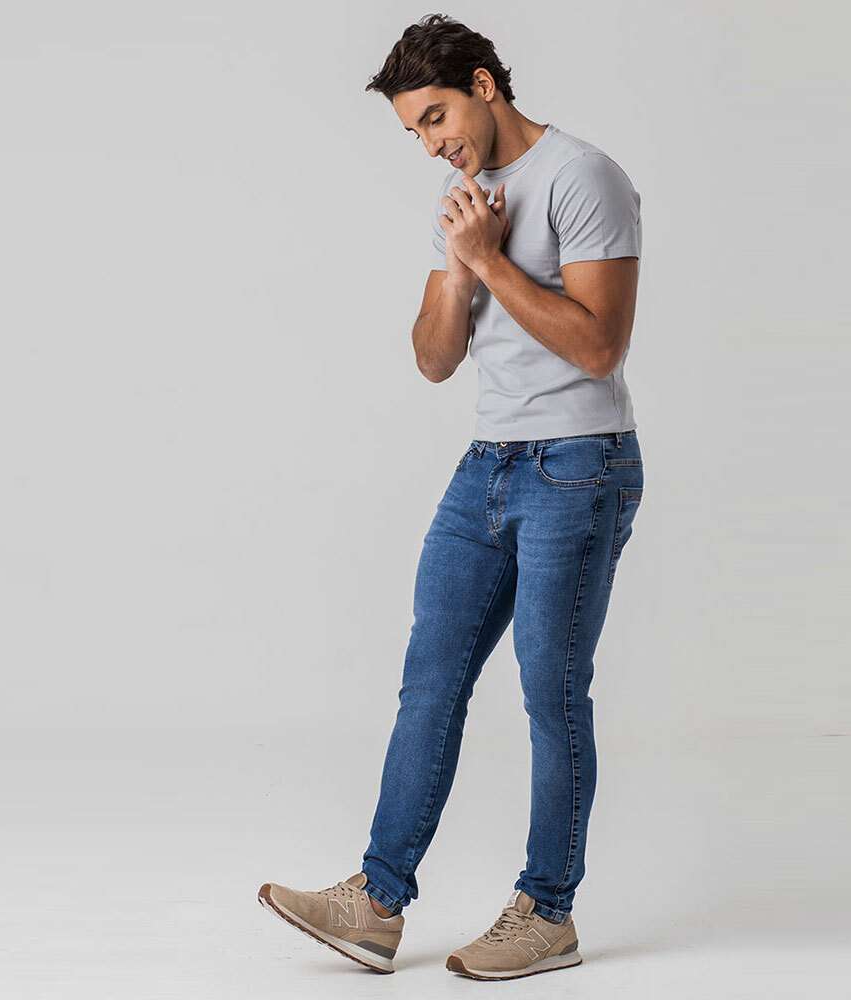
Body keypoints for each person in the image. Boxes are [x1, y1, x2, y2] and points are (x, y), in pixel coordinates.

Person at [258, 13, 646, 980]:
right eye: (414, 133)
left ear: (483, 84)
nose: (431, 145)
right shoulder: (460, 197)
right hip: (488, 465)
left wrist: (492, 260)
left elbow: (600, 346)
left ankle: (547, 912)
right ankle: (377, 902)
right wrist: (460, 257)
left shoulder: (584, 176)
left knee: (551, 693)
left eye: (435, 118)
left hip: (579, 464)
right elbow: (436, 361)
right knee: (429, 681)